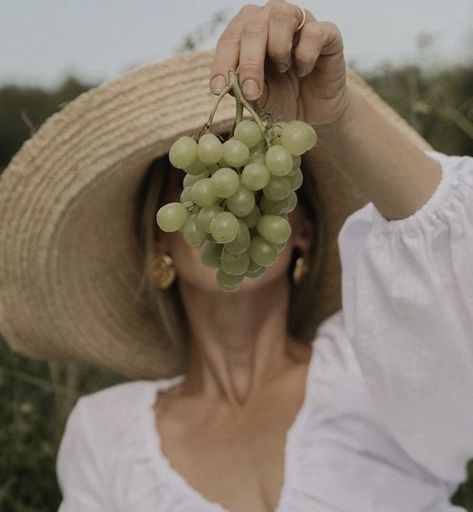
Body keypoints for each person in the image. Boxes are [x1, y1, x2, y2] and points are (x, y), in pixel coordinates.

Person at [0, 1, 472, 510]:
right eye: (199, 181)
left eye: (258, 181)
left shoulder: (383, 365)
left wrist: (340, 112)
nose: (233, 201)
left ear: (303, 231)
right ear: (159, 242)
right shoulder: (106, 434)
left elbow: (454, 262)